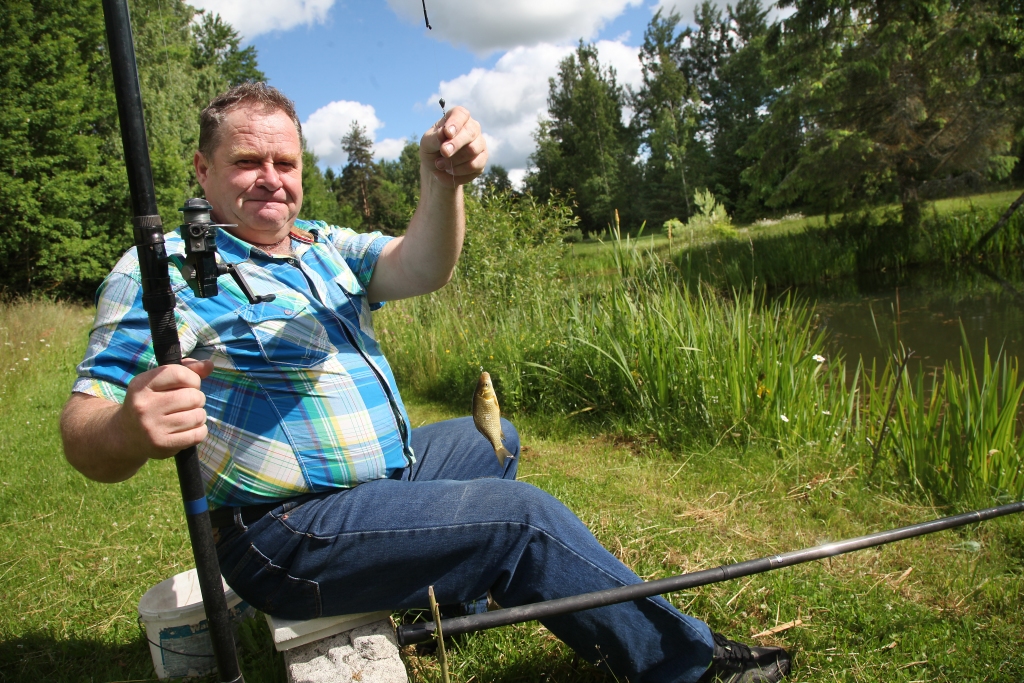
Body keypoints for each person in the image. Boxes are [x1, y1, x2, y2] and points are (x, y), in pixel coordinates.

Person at [60, 82, 790, 683]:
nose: (271, 178)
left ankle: (436, 596)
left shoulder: (321, 245)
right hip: (286, 532)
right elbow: (83, 429)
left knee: (494, 439)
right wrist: (128, 426)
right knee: (519, 518)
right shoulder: (163, 274)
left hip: (387, 480)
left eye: (285, 161)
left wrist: (442, 183)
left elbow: (421, 265)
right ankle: (689, 665)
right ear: (202, 169)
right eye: (248, 161)